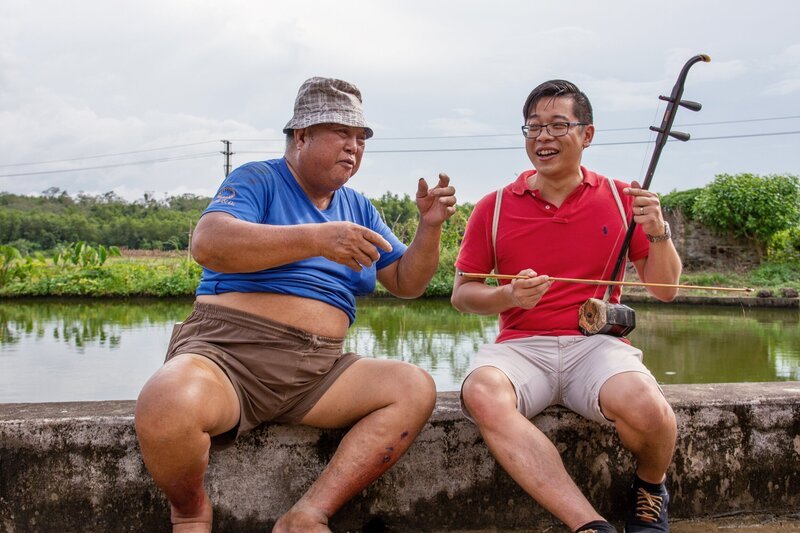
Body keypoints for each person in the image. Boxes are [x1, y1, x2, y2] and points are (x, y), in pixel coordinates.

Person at [135, 76, 457, 532]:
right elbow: (208, 243)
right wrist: (317, 239)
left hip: (318, 374)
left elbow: (407, 282)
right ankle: (189, 511)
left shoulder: (358, 208)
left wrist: (429, 228)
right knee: (167, 403)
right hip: (228, 358)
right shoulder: (258, 179)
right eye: (341, 134)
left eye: (361, 138)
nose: (354, 147)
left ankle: (307, 515)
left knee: (413, 387)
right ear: (301, 135)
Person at [451, 80, 681, 533]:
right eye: (533, 127)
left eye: (559, 125)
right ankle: (590, 525)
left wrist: (657, 230)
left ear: (587, 134)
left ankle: (651, 490)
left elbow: (665, 289)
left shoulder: (622, 199)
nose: (543, 138)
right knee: (481, 393)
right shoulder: (493, 207)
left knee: (648, 407)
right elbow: (462, 293)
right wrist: (509, 296)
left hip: (596, 346)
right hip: (521, 347)